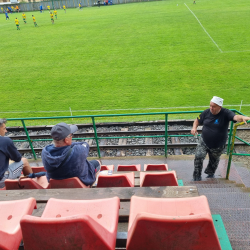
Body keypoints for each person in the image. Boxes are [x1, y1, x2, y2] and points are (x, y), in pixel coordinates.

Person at [191, 96, 250, 181]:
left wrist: (243, 118)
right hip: (204, 141)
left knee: (214, 160)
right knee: (198, 156)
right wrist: (194, 128)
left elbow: (236, 117)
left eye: (214, 106)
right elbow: (197, 120)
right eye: (210, 105)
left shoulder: (226, 113)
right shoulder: (206, 112)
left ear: (220, 107)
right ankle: (197, 177)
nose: (211, 108)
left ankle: (210, 174)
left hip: (218, 144)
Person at [42, 123, 101, 187]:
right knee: (98, 162)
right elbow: (85, 144)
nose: (72, 137)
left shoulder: (45, 152)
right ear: (66, 140)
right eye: (71, 135)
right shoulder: (78, 150)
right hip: (78, 183)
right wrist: (70, 144)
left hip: (56, 183)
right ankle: (90, 186)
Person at [0, 119, 33, 188]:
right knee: (24, 161)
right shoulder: (6, 141)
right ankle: (32, 184)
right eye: (4, 128)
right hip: (2, 180)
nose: (6, 131)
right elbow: (17, 158)